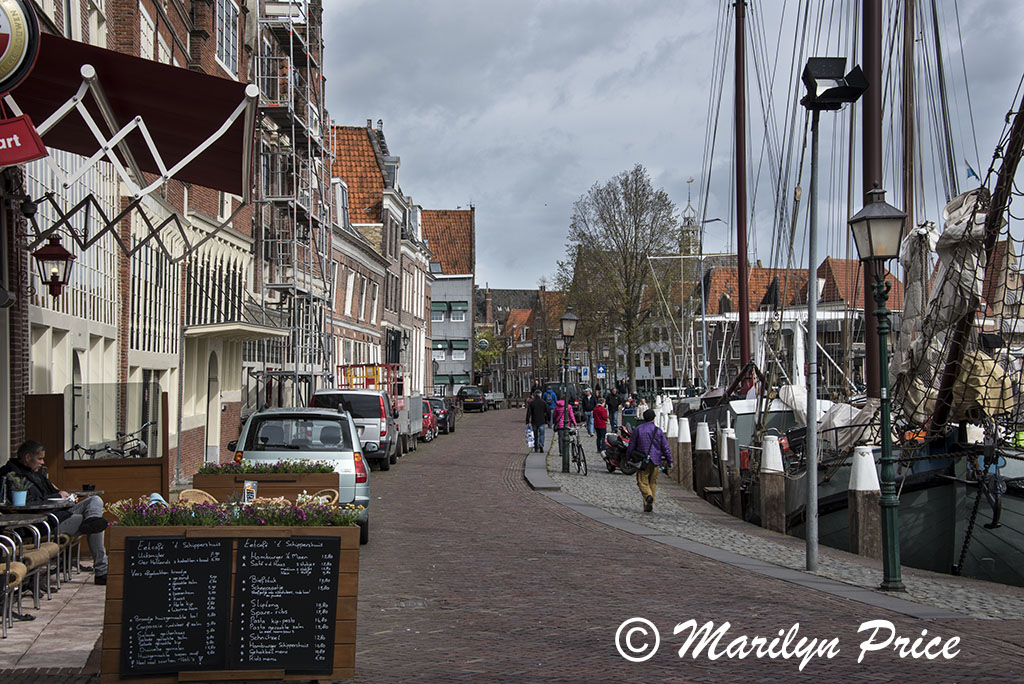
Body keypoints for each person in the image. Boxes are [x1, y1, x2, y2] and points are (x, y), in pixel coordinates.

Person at [1, 440, 109, 584]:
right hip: (45, 522)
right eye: (39, 458)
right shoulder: (11, 476)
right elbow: (27, 503)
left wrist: (66, 496)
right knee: (97, 525)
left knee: (95, 500)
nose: (42, 462)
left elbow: (53, 493)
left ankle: (92, 520)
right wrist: (57, 496)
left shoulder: (35, 474)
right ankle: (102, 571)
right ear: (28, 457)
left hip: (60, 513)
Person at [625, 409, 673, 513]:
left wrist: (628, 458)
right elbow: (665, 447)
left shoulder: (638, 429)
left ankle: (648, 496)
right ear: (654, 418)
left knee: (642, 481)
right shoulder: (658, 430)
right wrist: (670, 460)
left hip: (642, 460)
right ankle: (648, 504)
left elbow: (631, 446)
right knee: (653, 483)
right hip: (656, 460)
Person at [551, 396, 577, 464]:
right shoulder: (569, 406)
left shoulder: (557, 406)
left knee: (560, 438)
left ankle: (561, 451)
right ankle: (565, 450)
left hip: (559, 424)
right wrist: (575, 423)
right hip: (566, 424)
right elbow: (571, 415)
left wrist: (555, 421)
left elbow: (554, 415)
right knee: (566, 438)